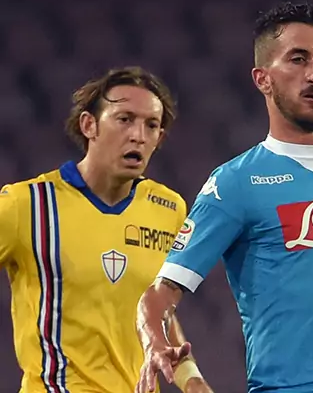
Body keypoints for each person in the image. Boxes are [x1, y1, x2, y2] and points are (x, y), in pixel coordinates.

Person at [135, 2, 313, 393]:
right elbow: (159, 295)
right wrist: (155, 342)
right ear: (263, 79)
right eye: (298, 59)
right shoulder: (235, 183)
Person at [0, 67, 212, 393]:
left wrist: (191, 379)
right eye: (124, 119)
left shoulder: (168, 208)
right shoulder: (26, 204)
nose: (138, 135)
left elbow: (159, 312)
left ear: (159, 139)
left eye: (151, 125)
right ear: (89, 125)